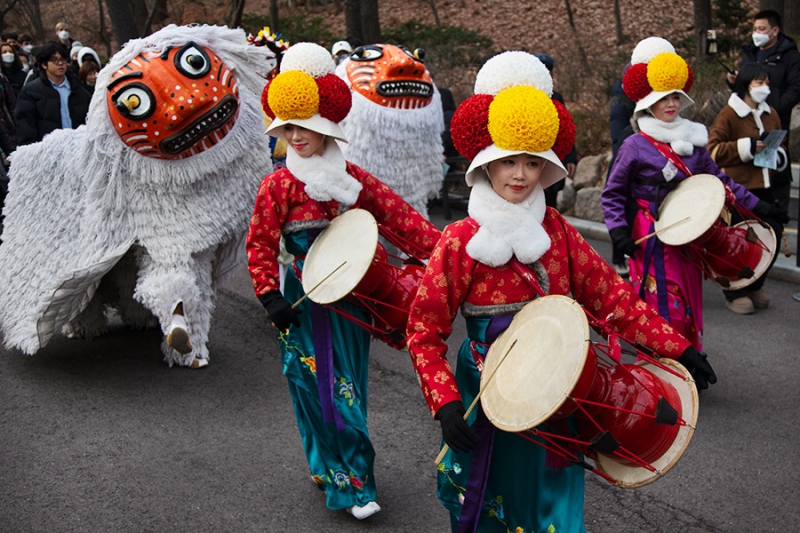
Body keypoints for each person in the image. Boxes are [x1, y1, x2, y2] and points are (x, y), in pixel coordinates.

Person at [406, 50, 717, 533]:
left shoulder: (558, 230)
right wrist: (445, 402)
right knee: (490, 491)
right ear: (486, 163)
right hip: (488, 383)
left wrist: (677, 347)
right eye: (507, 162)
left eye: (532, 164)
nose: (519, 175)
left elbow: (611, 297)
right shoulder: (460, 241)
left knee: (554, 498)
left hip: (561, 379)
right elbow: (423, 328)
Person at [246, 42, 441, 520]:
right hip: (301, 303)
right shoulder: (278, 186)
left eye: (306, 127)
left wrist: (452, 257)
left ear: (328, 127)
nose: (297, 136)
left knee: (344, 391)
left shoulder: (354, 179)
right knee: (308, 387)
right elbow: (259, 244)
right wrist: (270, 295)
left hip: (353, 301)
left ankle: (353, 482)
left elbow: (404, 223)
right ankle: (334, 472)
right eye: (289, 127)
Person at [602, 37, 782, 350]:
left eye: (675, 97)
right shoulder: (634, 145)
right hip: (651, 233)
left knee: (686, 296)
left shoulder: (694, 142)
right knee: (662, 298)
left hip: (689, 231)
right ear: (648, 102)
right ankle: (663, 360)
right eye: (664, 98)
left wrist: (759, 208)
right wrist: (618, 231)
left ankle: (687, 355)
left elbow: (719, 181)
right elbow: (613, 193)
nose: (671, 104)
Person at [708, 63, 790, 314]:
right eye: (759, 83)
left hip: (765, 185)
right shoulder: (729, 114)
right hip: (739, 190)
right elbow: (714, 150)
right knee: (738, 241)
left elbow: (781, 145)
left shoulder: (771, 113)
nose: (764, 88)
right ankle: (735, 291)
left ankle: (756, 284)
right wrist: (744, 147)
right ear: (745, 85)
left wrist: (777, 155)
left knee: (772, 235)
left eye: (767, 83)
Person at [726, 9, 800, 213]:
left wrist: (772, 110)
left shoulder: (790, 56)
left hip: (774, 125)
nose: (756, 33)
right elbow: (744, 88)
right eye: (754, 28)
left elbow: (796, 89)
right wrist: (733, 82)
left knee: (776, 178)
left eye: (762, 29)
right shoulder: (750, 53)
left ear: (775, 30)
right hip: (745, 128)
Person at [14, 41, 91, 146]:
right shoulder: (31, 92)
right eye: (55, 60)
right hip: (49, 151)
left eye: (62, 59)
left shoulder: (78, 90)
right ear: (44, 64)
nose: (60, 63)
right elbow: (26, 128)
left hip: (77, 148)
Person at [535, 53, 577, 208]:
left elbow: (566, 129)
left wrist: (571, 157)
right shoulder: (525, 98)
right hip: (534, 158)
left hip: (554, 156)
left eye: (548, 70)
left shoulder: (556, 98)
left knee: (550, 203)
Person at [605, 63, 635, 277]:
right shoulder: (621, 96)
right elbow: (617, 133)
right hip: (625, 156)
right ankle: (619, 258)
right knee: (622, 206)